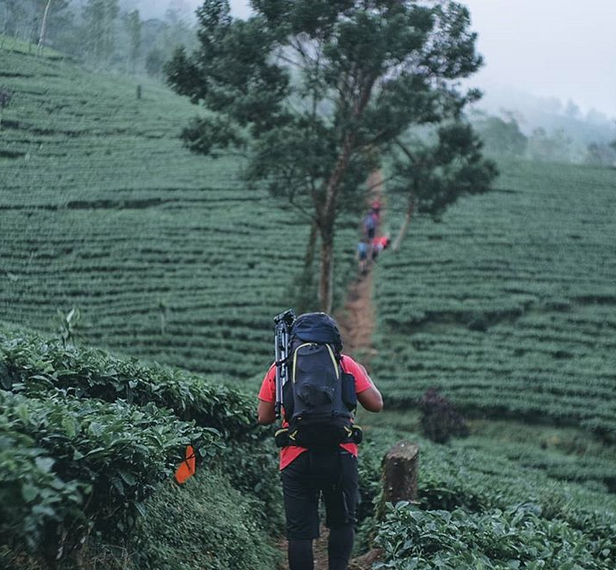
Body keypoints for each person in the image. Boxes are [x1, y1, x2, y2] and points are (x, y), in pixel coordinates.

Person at [257, 313, 383, 570]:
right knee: (342, 523)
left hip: (296, 456)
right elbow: (376, 404)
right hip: (340, 453)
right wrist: (364, 376)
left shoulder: (280, 368)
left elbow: (263, 417)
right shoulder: (345, 364)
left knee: (300, 532)